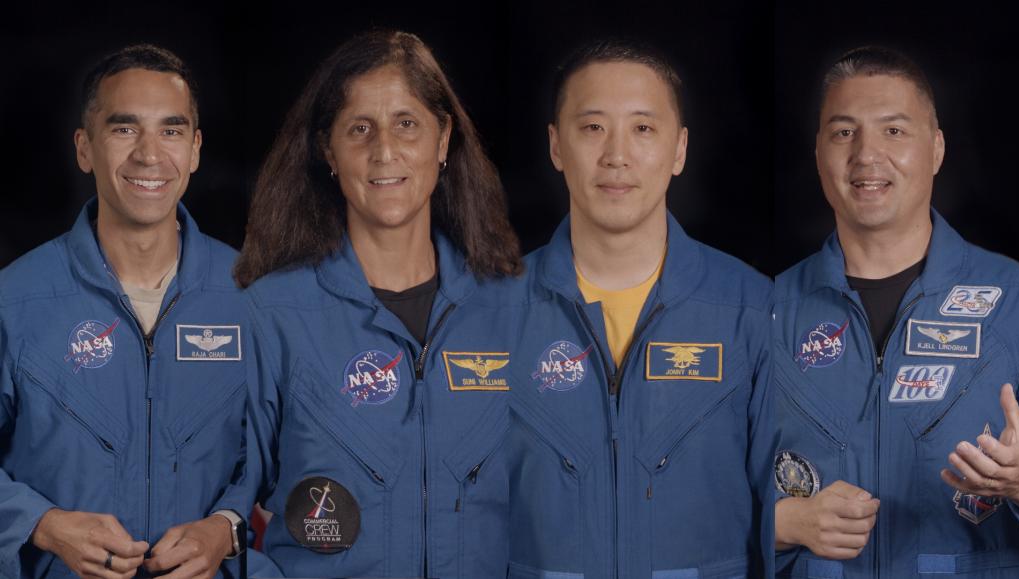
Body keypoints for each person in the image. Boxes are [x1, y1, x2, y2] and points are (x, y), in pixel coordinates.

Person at [234, 30, 523, 578]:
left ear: (443, 142)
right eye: (360, 129)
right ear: (328, 152)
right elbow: (216, 510)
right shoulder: (269, 318)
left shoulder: (515, 313)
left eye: (407, 124)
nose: (384, 151)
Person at [505, 39, 774, 579]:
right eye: (593, 128)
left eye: (643, 129)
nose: (617, 155)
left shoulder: (752, 308)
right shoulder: (490, 312)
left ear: (679, 150)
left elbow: (790, 508)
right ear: (556, 147)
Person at [773, 46, 1019, 578]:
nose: (866, 155)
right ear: (819, 152)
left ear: (935, 149)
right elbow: (683, 502)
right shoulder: (762, 314)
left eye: (893, 131)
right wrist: (777, 522)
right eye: (844, 132)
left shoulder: (1016, 301)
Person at [0, 45, 248, 578]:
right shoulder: (14, 302)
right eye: (124, 129)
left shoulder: (252, 300)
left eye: (171, 130)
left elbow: (287, 460)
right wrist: (41, 522)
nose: (149, 155)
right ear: (84, 148)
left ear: (196, 149)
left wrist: (226, 527)